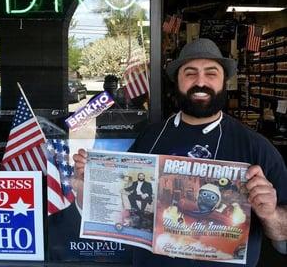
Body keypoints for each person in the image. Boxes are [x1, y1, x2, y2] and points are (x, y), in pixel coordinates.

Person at [73, 38, 287, 266]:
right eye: (190, 73)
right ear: (178, 81)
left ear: (225, 81)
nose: (200, 82)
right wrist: (87, 189)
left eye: (211, 73)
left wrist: (270, 214)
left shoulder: (256, 148)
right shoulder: (150, 137)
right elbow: (119, 210)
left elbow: (283, 241)